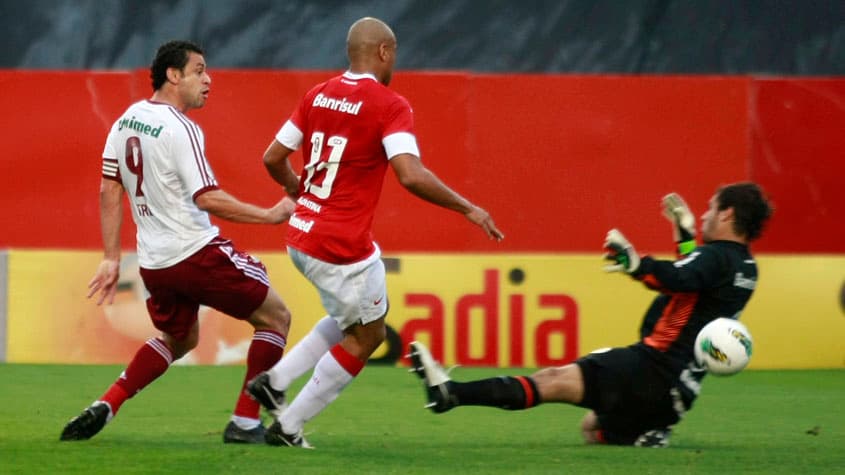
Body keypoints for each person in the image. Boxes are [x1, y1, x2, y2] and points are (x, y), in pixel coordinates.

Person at [245, 17, 504, 448]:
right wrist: (467, 207)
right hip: (339, 245)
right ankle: (288, 427)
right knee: (370, 335)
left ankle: (275, 381)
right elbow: (410, 174)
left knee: (354, 315)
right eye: (395, 53)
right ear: (384, 51)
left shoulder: (318, 94)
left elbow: (272, 157)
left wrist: (298, 190)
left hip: (302, 236)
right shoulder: (390, 104)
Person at [410, 182, 772, 447]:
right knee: (592, 428)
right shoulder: (746, 268)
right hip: (678, 393)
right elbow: (696, 285)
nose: (706, 214)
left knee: (551, 380)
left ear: (727, 213)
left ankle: (450, 393)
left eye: (712, 208)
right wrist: (685, 236)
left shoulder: (716, 256)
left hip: (650, 369)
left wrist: (636, 264)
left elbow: (680, 277)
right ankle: (646, 432)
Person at [60, 40, 296, 444]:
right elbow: (207, 198)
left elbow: (109, 189)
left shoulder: (125, 121)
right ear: (173, 75)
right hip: (194, 252)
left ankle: (109, 401)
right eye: (199, 70)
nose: (209, 79)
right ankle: (244, 422)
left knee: (181, 338)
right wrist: (270, 215)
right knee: (276, 318)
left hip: (155, 264)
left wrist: (112, 257)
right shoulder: (181, 128)